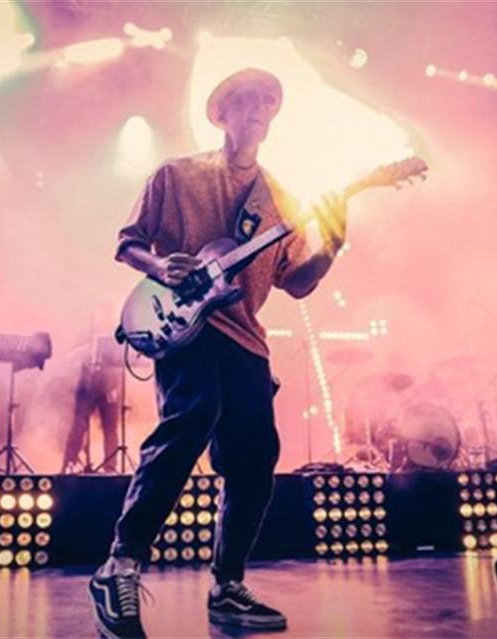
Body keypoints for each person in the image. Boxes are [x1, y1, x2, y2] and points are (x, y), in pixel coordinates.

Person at [88, 68, 348, 639]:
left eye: (269, 102)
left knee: (255, 459)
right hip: (186, 325)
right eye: (247, 100)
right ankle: (119, 566)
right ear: (221, 113)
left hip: (246, 337)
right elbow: (128, 243)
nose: (259, 109)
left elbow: (296, 283)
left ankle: (228, 586)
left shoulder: (280, 199)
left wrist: (332, 245)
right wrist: (161, 266)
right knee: (192, 417)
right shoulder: (176, 175)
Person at [62, 303, 123, 474]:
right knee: (78, 426)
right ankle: (69, 463)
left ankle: (110, 467)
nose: (103, 318)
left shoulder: (116, 334)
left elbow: (122, 361)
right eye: (101, 314)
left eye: (106, 315)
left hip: (108, 386)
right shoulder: (85, 334)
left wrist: (115, 387)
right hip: (86, 386)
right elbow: (70, 356)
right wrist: (86, 350)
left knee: (110, 428)